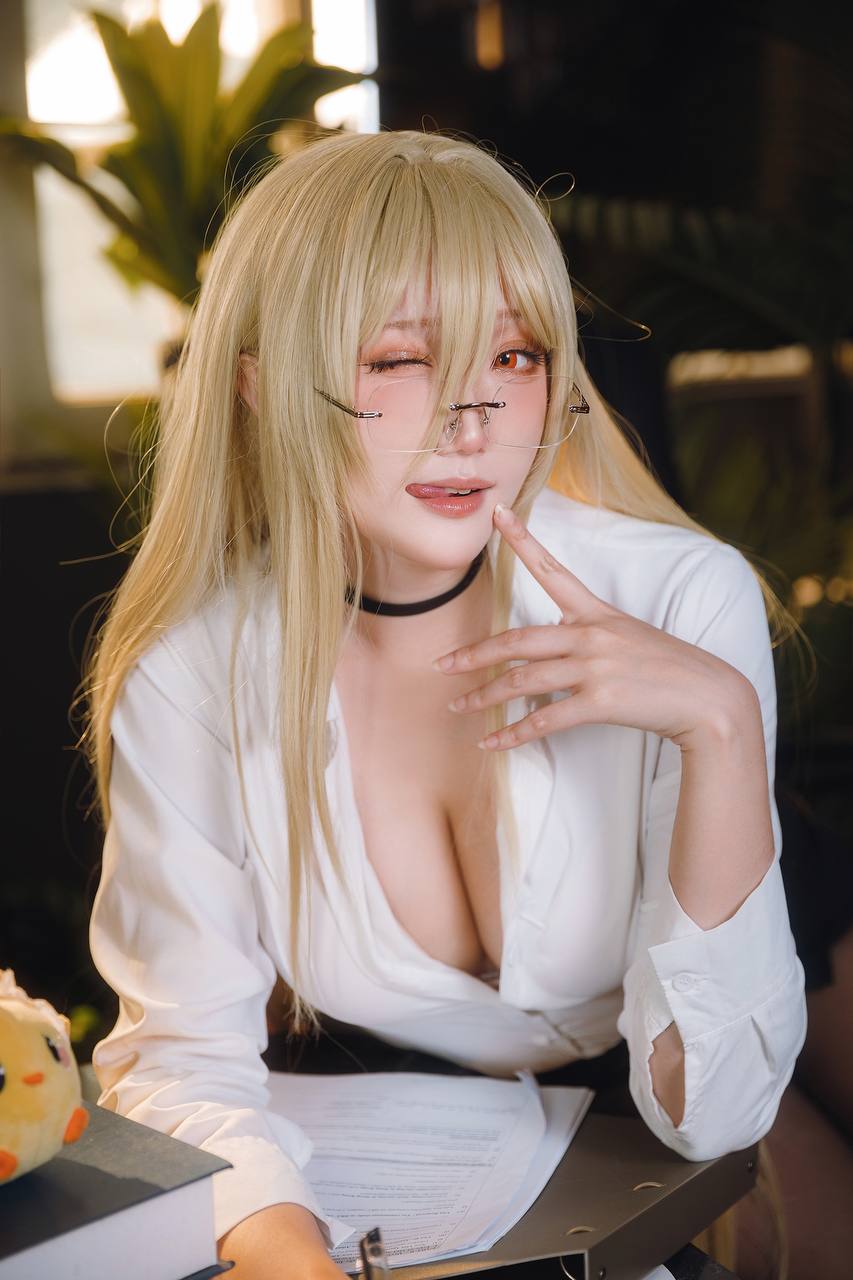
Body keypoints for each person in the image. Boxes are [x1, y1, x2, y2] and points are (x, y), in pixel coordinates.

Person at [81, 129, 808, 1279]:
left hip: (670, 1088)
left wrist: (719, 723)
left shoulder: (679, 595)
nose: (471, 419)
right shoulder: (193, 669)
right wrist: (295, 1263)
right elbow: (181, 1058)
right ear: (261, 385)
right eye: (400, 358)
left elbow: (710, 1112)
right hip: (410, 1163)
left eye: (512, 355)